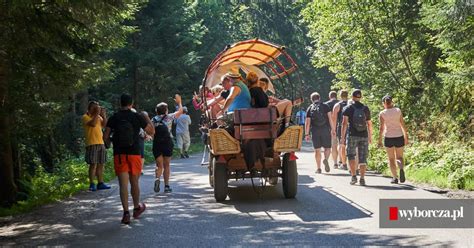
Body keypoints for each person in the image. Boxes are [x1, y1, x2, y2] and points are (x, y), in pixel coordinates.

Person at [104, 94, 155, 225]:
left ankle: (126, 213)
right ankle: (136, 208)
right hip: (135, 154)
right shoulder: (137, 116)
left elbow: (105, 137)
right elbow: (151, 132)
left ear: (120, 103)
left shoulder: (114, 117)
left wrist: (110, 143)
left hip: (119, 154)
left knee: (123, 185)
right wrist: (147, 119)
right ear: (131, 104)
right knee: (135, 183)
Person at [152, 94, 183, 194]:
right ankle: (166, 186)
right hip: (167, 142)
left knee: (159, 165)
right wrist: (179, 102)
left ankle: (157, 178)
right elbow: (180, 112)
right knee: (167, 165)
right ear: (166, 110)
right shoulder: (169, 117)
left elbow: (150, 131)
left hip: (157, 143)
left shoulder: (153, 119)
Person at [341, 89, 373, 186]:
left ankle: (354, 176)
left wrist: (342, 137)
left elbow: (344, 123)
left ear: (352, 97)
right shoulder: (365, 108)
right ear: (360, 97)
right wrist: (370, 136)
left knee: (351, 155)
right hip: (364, 135)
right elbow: (369, 124)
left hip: (352, 135)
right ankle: (362, 178)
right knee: (363, 157)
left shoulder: (348, 108)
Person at [378, 95, 409, 184]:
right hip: (399, 136)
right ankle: (401, 168)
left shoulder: (382, 113)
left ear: (384, 103)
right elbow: (402, 124)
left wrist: (379, 140)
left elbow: (381, 128)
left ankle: (395, 178)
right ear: (392, 102)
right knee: (399, 157)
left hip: (388, 137)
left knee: (391, 159)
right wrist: (406, 136)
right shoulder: (398, 110)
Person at [82, 101, 111, 192]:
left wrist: (104, 115)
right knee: (93, 164)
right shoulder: (85, 117)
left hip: (101, 143)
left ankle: (100, 183)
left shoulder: (98, 117)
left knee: (101, 164)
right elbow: (93, 124)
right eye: (95, 107)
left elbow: (105, 125)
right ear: (91, 108)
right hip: (91, 143)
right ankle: (92, 183)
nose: (97, 109)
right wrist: (97, 113)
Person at [305, 92, 335, 173]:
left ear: (311, 99)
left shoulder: (310, 108)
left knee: (317, 150)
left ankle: (318, 168)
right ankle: (326, 159)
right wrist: (333, 130)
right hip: (325, 129)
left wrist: (307, 134)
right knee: (327, 148)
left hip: (315, 131)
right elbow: (330, 119)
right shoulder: (325, 106)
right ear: (319, 98)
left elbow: (307, 122)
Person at [332, 90, 349, 170]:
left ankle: (342, 162)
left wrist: (333, 129)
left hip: (340, 126)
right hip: (351, 126)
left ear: (340, 96)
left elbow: (334, 118)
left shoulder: (337, 105)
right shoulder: (351, 104)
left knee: (341, 144)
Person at [325, 91, 339, 169]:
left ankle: (335, 163)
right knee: (341, 145)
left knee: (332, 146)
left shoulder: (326, 104)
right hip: (340, 126)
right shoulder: (340, 104)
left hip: (329, 127)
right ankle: (342, 162)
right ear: (336, 96)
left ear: (329, 96)